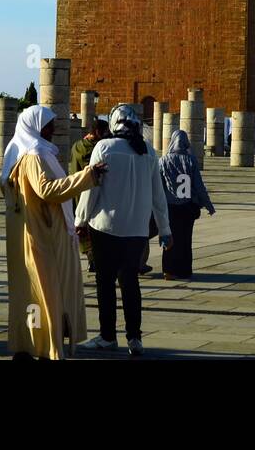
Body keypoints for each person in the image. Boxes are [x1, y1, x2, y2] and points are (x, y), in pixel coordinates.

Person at [1, 104, 104, 359]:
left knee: (30, 292)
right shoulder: (34, 154)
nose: (53, 129)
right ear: (35, 127)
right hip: (42, 235)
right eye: (48, 124)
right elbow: (47, 190)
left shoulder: (22, 152)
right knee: (45, 292)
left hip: (30, 232)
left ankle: (26, 345)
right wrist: (86, 177)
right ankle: (44, 346)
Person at [75, 104, 171, 357]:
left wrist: (80, 220)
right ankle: (135, 337)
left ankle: (107, 336)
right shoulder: (148, 152)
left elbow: (91, 189)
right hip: (137, 230)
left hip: (105, 228)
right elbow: (158, 195)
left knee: (105, 282)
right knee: (130, 283)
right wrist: (165, 229)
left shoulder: (104, 148)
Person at [158, 129, 216, 280]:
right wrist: (208, 204)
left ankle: (169, 270)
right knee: (185, 239)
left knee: (169, 237)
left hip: (170, 207)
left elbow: (158, 186)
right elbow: (199, 186)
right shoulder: (190, 160)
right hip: (187, 207)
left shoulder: (163, 160)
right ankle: (184, 270)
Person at [69, 118, 109, 272]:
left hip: (79, 190)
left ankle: (90, 256)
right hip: (97, 190)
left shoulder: (77, 146)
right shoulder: (100, 149)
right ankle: (95, 256)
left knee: (82, 226)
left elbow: (73, 167)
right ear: (99, 132)